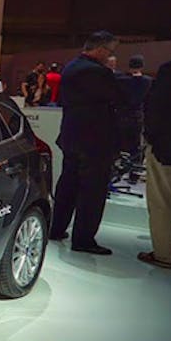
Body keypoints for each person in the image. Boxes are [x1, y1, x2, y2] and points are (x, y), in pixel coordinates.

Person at [48, 31, 122, 255]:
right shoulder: (99, 72)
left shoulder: (71, 67)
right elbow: (119, 98)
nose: (110, 56)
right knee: (92, 191)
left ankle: (56, 228)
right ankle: (83, 239)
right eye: (109, 51)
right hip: (95, 140)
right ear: (100, 49)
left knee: (68, 184)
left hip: (71, 136)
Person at [138, 25, 171, 269]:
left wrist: (151, 139)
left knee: (162, 204)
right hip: (169, 146)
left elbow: (154, 107)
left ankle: (164, 255)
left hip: (168, 149)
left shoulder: (170, 71)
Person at [114, 54, 153, 167]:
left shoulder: (120, 80)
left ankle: (120, 167)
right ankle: (134, 167)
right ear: (142, 66)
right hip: (137, 116)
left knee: (120, 144)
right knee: (135, 145)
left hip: (120, 115)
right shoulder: (148, 81)